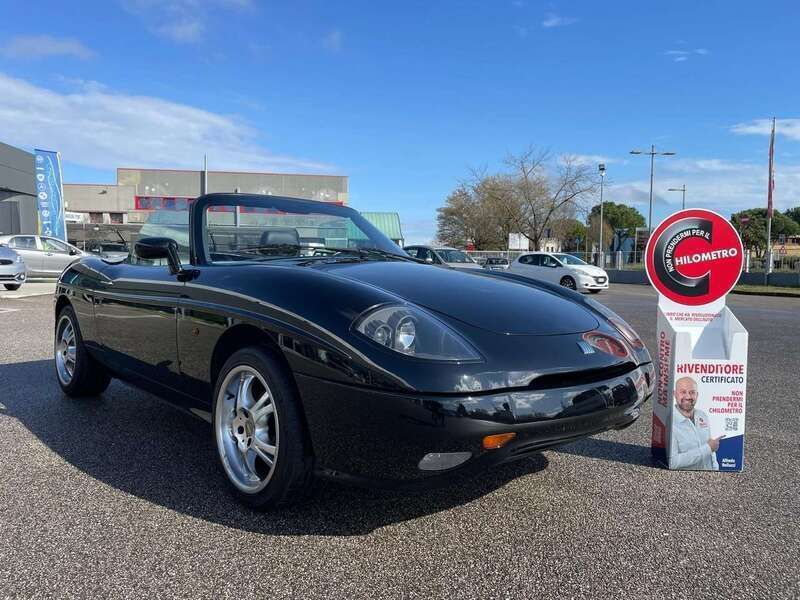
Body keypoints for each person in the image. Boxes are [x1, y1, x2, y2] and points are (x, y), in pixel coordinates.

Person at [670, 376, 721, 470]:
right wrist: (707, 449)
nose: (688, 396)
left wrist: (715, 470)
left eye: (692, 392)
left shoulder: (702, 416)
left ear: (697, 395)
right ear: (674, 394)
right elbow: (672, 462)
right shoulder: (670, 422)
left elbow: (711, 449)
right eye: (683, 392)